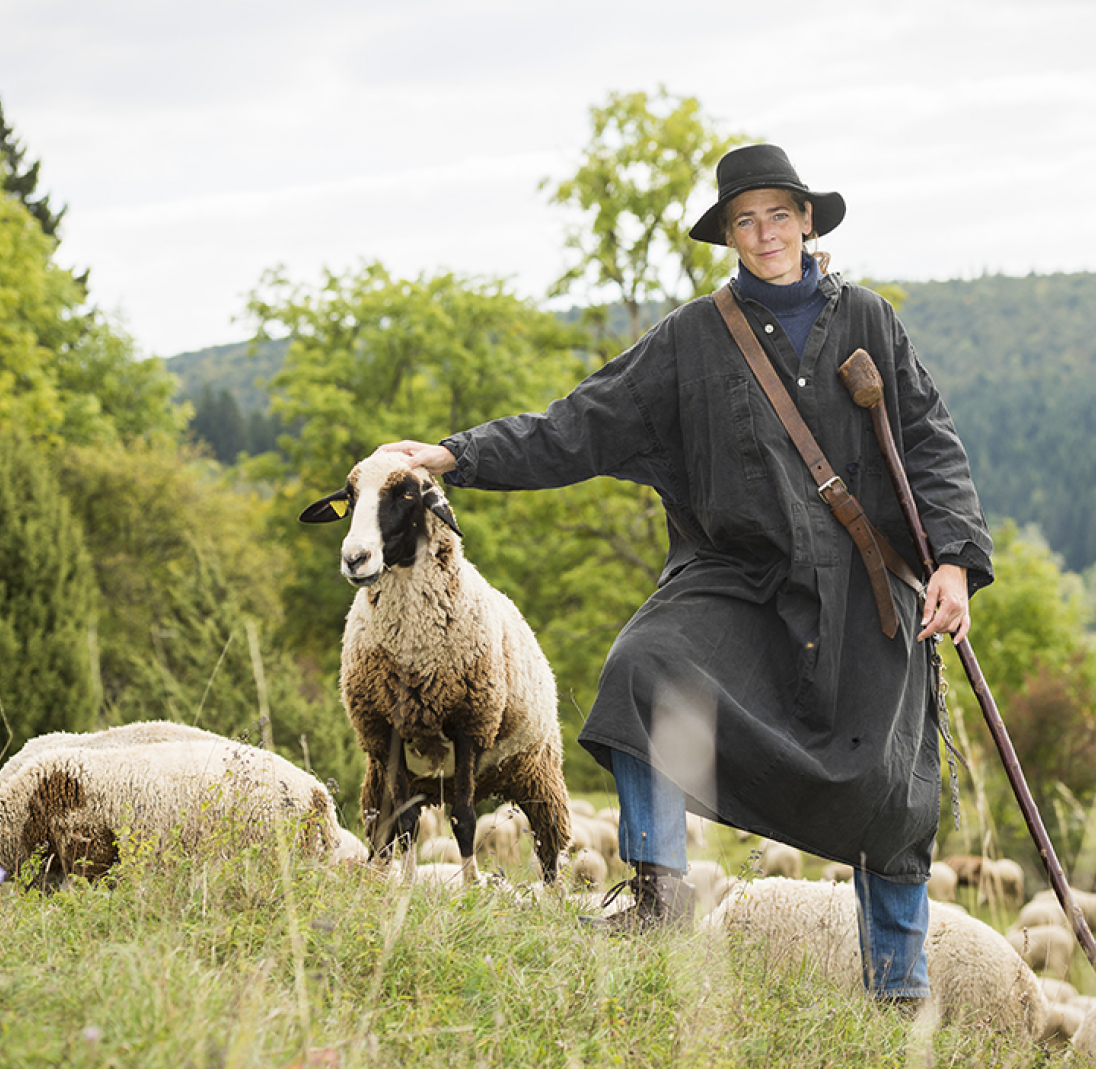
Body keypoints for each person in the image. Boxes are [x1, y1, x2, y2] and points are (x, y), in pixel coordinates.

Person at [379, 143, 992, 1006]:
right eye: (747, 219)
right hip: (736, 580)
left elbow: (929, 443)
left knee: (891, 794)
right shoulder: (695, 338)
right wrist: (456, 455)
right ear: (729, 235)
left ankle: (898, 992)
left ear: (808, 220)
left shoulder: (870, 322)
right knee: (645, 667)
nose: (766, 232)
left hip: (866, 592)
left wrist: (955, 564)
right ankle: (660, 893)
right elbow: (578, 424)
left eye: (780, 213)